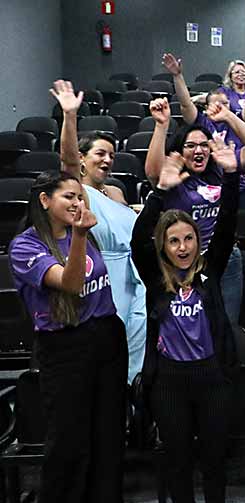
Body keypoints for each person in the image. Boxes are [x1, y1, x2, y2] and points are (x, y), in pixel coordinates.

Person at [9, 172, 127, 503]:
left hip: (106, 339)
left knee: (107, 442)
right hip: (65, 348)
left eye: (81, 196)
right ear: (45, 200)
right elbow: (72, 286)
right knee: (68, 448)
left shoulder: (86, 231)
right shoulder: (26, 245)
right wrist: (78, 236)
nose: (78, 203)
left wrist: (80, 233)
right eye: (68, 196)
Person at [132, 145, 245, 503]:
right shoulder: (154, 277)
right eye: (173, 241)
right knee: (178, 456)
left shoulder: (209, 271)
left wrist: (231, 178)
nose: (182, 247)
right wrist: (160, 192)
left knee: (215, 454)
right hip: (169, 382)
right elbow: (136, 240)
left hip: (212, 376)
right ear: (163, 246)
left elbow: (229, 219)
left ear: (199, 241)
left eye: (188, 239)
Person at [54, 79, 147, 384]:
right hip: (106, 276)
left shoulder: (117, 193)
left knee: (138, 344)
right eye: (99, 154)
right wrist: (70, 116)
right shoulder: (78, 190)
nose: (107, 160)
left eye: (111, 155)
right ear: (83, 158)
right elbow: (66, 160)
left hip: (135, 277)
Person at [144, 95, 245, 323]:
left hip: (225, 258)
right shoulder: (174, 178)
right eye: (190, 145)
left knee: (225, 324)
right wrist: (161, 125)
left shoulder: (220, 173)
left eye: (203, 145)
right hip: (183, 260)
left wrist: (229, 118)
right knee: (190, 322)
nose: (198, 150)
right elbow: (152, 172)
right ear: (180, 150)